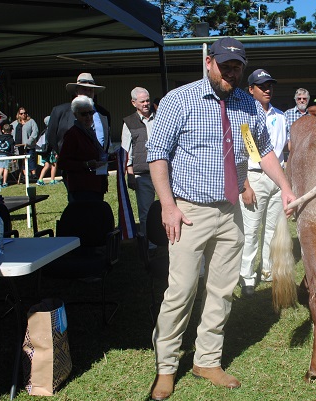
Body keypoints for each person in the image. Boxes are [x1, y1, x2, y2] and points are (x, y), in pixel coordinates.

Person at [146, 37, 296, 401]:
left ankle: (207, 360)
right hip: (189, 212)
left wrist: (286, 187)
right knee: (181, 291)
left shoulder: (247, 104)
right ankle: (166, 368)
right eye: (225, 65)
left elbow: (263, 150)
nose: (231, 72)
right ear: (209, 62)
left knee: (222, 290)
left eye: (237, 67)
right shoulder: (179, 101)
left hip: (231, 212)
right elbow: (157, 154)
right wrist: (168, 206)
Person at [238, 68, 287, 297]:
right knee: (251, 229)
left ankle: (267, 269)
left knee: (272, 229)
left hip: (277, 178)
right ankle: (247, 274)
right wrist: (245, 184)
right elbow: (246, 151)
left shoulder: (281, 116)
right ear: (251, 89)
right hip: (255, 176)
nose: (267, 89)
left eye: (270, 85)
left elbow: (282, 153)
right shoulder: (245, 117)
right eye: (262, 86)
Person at [58, 95, 109, 202]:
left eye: (91, 113)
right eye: (84, 114)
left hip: (95, 186)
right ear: (75, 114)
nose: (88, 117)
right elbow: (63, 163)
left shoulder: (89, 132)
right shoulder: (72, 134)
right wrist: (85, 165)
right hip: (81, 189)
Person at [122, 87, 157, 242]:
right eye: (142, 101)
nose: (146, 104)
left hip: (162, 172)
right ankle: (148, 245)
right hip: (142, 175)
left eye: (148, 100)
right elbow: (126, 151)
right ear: (133, 103)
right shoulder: (128, 123)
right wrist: (130, 175)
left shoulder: (160, 118)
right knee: (145, 212)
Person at [46, 73, 110, 155]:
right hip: (71, 164)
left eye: (90, 90)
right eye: (84, 89)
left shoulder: (103, 113)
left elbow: (106, 139)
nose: (88, 92)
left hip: (99, 163)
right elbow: (51, 137)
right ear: (76, 91)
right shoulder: (60, 111)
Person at [11, 107, 39, 181]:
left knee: (31, 159)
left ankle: (34, 175)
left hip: (29, 145)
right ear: (18, 114)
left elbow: (35, 132)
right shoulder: (14, 124)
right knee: (22, 161)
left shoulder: (31, 121)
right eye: (21, 113)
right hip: (19, 146)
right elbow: (11, 133)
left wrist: (29, 141)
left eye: (24, 113)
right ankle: (25, 176)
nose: (23, 114)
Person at [37, 116, 60, 186]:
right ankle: (52, 180)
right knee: (54, 165)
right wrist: (56, 152)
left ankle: (40, 180)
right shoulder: (52, 131)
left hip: (46, 151)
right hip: (52, 151)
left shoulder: (45, 131)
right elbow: (54, 142)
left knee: (46, 165)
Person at [0, 123, 16, 187]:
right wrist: (13, 156)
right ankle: (4, 182)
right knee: (6, 169)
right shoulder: (11, 139)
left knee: (0, 168)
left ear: (2, 131)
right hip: (6, 155)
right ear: (11, 131)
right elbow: (12, 149)